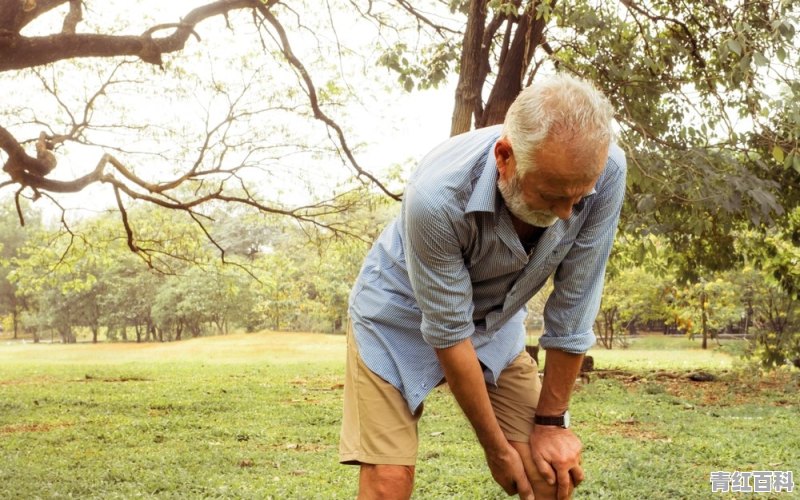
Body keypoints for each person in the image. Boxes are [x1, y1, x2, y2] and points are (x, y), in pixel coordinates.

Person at [339, 73, 626, 500]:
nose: (568, 214)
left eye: (579, 197)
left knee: (546, 475)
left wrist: (551, 423)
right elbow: (450, 333)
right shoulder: (435, 197)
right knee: (388, 485)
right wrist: (495, 450)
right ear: (505, 157)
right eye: (550, 195)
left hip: (493, 320)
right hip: (395, 317)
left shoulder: (605, 173)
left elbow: (575, 306)